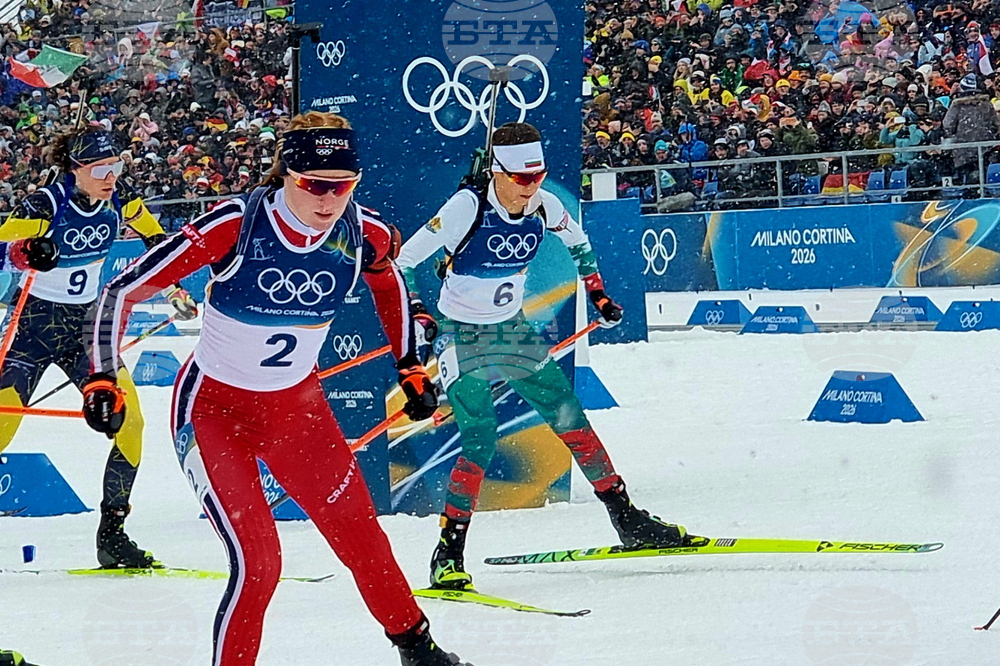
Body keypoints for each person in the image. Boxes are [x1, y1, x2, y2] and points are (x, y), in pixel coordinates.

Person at [85, 111, 469, 666]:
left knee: (361, 537)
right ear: (287, 173)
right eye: (316, 184)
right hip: (214, 412)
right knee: (259, 562)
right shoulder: (235, 225)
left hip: (296, 411)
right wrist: (101, 373)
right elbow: (120, 292)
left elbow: (389, 280)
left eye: (345, 185)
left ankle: (419, 649)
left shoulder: (364, 233)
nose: (330, 199)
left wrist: (409, 366)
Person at [396, 122, 698, 592]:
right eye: (521, 178)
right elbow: (404, 261)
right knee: (479, 437)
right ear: (498, 172)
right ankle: (447, 554)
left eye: (539, 175)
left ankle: (627, 519)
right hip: (462, 335)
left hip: (514, 331)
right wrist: (416, 310)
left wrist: (597, 293)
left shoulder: (545, 205)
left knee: (570, 419)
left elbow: (578, 242)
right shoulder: (466, 207)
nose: (531, 187)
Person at [0, 125, 197, 569]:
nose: (111, 176)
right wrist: (24, 252)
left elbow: (156, 244)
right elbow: (2, 247)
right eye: (101, 169)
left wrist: (175, 290)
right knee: (3, 429)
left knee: (131, 423)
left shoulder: (120, 197)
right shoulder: (46, 204)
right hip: (33, 327)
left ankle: (113, 535)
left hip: (88, 329)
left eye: (116, 166)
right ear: (75, 170)